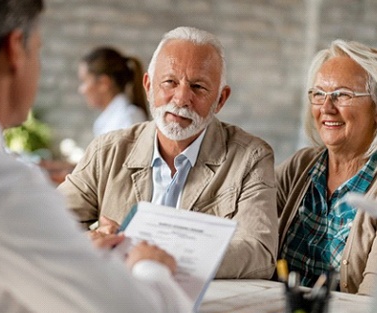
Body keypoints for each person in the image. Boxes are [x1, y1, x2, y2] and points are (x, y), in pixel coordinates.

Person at [0, 1, 192, 313]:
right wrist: (150, 265)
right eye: (39, 51)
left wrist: (72, 252)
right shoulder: (1, 186)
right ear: (14, 50)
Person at [58, 26, 278, 279]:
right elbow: (48, 223)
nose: (182, 98)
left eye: (198, 87)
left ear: (220, 99)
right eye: (170, 82)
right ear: (149, 85)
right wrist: (89, 241)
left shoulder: (251, 158)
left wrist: (161, 257)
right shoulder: (106, 151)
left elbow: (259, 253)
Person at [276, 39, 377, 295]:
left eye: (342, 95)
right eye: (319, 94)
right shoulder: (300, 167)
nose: (327, 108)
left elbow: (369, 304)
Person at [78, 46, 148, 137]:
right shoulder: (109, 119)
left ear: (104, 83)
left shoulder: (128, 118)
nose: (81, 90)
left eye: (84, 81)